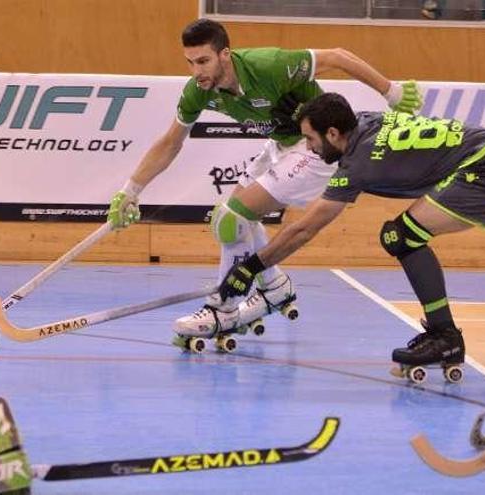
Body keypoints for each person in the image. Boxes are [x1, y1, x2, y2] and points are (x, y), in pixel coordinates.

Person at [107, 18, 423, 343]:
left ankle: (224, 309)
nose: (196, 71)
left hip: (314, 147)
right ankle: (273, 288)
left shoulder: (268, 66)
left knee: (232, 219)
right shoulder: (198, 92)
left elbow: (337, 56)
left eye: (203, 61)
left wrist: (391, 90)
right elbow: (170, 142)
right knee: (225, 219)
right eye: (190, 63)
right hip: (280, 144)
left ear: (225, 55)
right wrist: (130, 190)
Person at [215, 92, 485, 376]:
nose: (308, 148)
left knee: (401, 236)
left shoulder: (357, 165)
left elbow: (305, 229)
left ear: (334, 134)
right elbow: (332, 108)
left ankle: (444, 336)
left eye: (310, 138)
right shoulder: (364, 118)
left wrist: (251, 267)